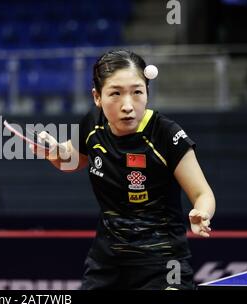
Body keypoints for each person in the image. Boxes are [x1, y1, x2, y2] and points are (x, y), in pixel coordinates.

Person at [31, 49, 215, 289]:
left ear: (147, 93)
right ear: (97, 97)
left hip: (162, 264)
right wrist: (53, 151)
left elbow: (202, 194)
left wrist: (202, 213)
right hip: (107, 264)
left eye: (137, 92)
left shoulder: (166, 135)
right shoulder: (93, 124)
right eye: (115, 93)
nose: (128, 105)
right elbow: (72, 160)